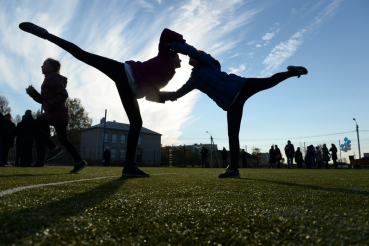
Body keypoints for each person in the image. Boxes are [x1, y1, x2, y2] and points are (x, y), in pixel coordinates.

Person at [19, 22, 185, 178]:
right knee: (83, 55)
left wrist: (173, 95)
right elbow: (165, 34)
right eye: (179, 57)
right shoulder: (164, 58)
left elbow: (151, 95)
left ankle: (129, 167)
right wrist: (184, 45)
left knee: (136, 123)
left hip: (129, 89)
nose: (181, 60)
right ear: (173, 55)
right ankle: (47, 35)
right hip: (123, 72)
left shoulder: (169, 75)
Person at [160, 42, 307, 178]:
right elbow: (177, 94)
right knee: (232, 135)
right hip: (232, 104)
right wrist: (156, 95)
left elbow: (190, 50)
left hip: (241, 86)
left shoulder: (206, 62)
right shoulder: (194, 79)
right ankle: (234, 169)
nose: (189, 57)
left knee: (269, 81)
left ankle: (293, 72)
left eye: (192, 56)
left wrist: (173, 45)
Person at [26, 58, 87, 174]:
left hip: (55, 113)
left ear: (52, 67)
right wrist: (33, 93)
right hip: (59, 114)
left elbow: (63, 95)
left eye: (44, 64)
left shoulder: (52, 77)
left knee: (32, 127)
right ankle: (79, 161)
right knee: (63, 139)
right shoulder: (50, 78)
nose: (41, 66)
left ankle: (53, 148)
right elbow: (45, 100)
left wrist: (49, 106)